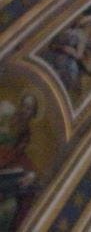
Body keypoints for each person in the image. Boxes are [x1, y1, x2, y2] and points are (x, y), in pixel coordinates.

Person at [0, 94, 38, 232]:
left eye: (29, 109)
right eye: (24, 106)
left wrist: (31, 174)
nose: (25, 111)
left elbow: (18, 155)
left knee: (12, 206)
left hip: (6, 171)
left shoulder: (25, 134)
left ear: (33, 113)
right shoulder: (6, 117)